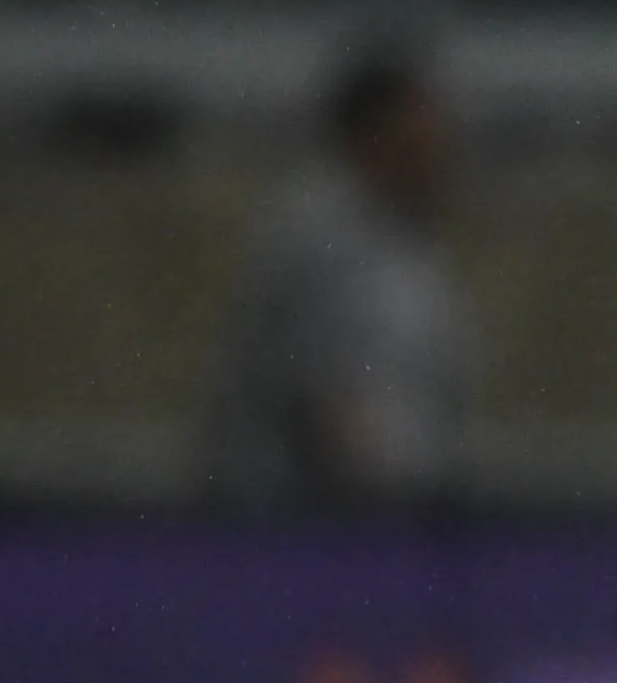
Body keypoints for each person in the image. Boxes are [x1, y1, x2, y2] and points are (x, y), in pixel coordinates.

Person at [198, 37, 472, 504]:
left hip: (392, 511)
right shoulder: (315, 231)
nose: (440, 150)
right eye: (422, 132)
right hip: (302, 515)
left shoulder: (404, 238)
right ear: (378, 133)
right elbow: (325, 405)